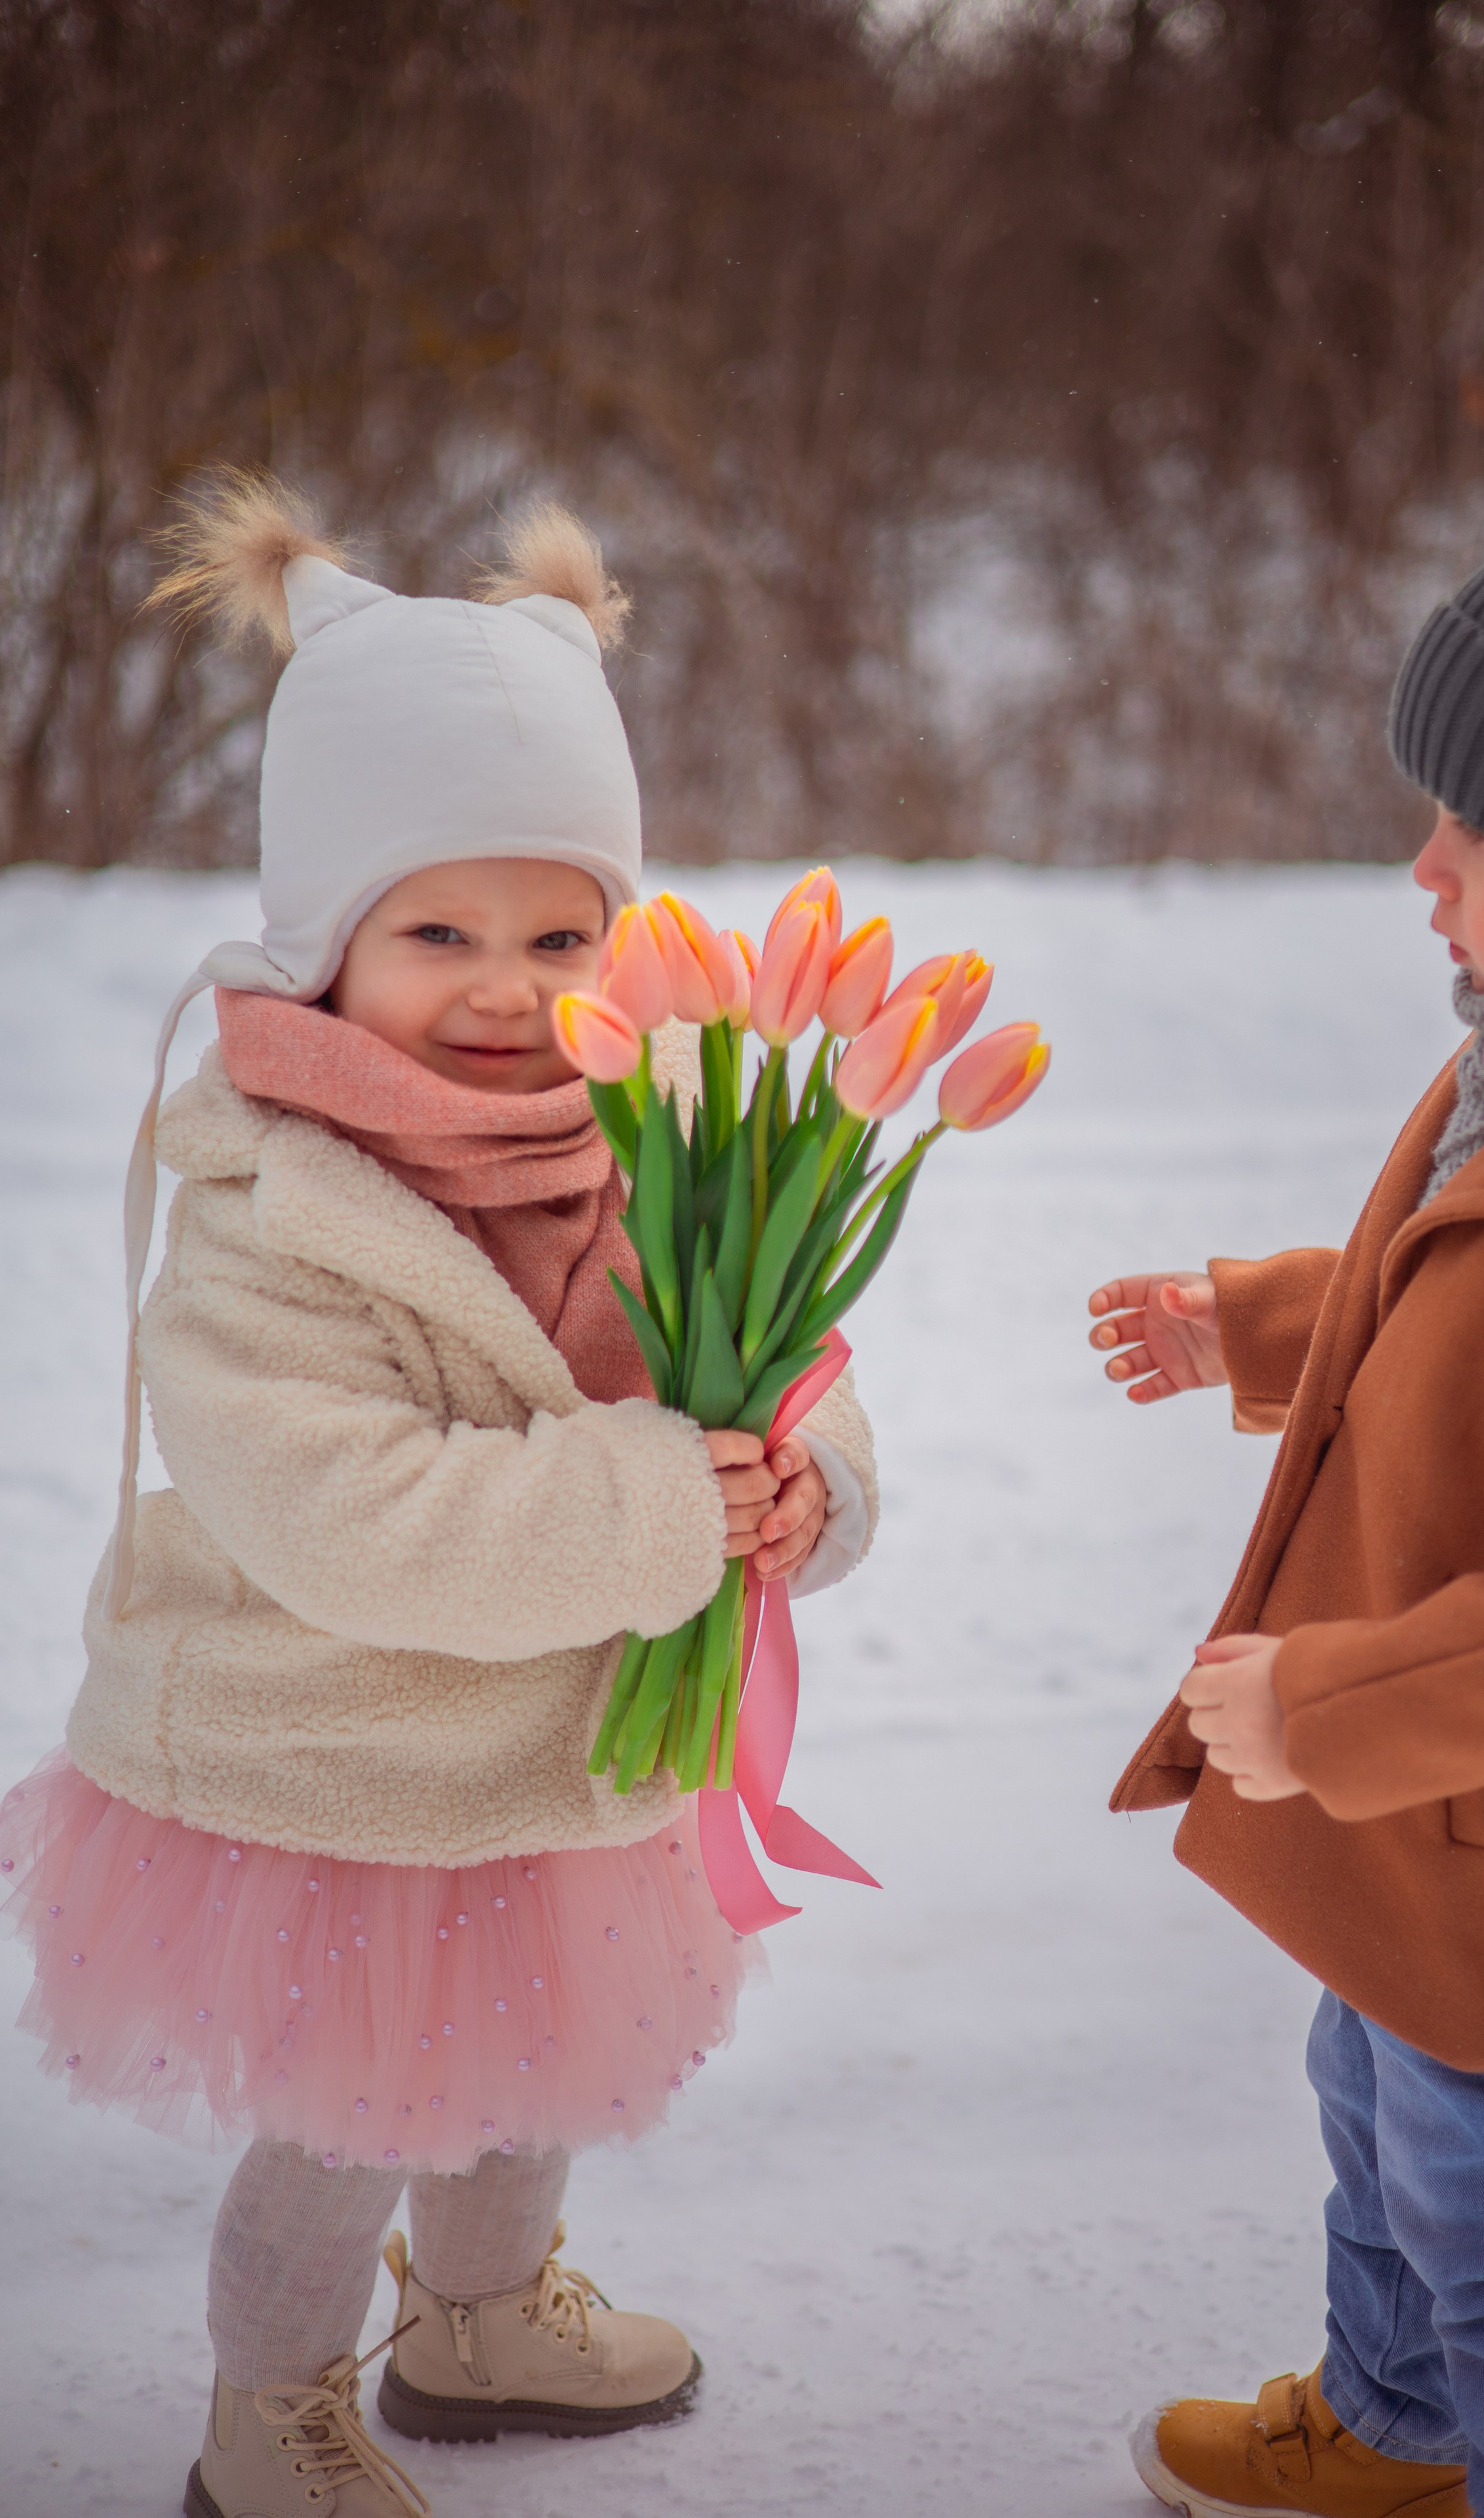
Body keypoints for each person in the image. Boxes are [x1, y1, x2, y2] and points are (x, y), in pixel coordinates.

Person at [0, 477, 877, 2518]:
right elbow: (353, 1517)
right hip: (347, 1761)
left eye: (558, 934)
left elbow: (793, 1367)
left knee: (533, 2059)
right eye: (438, 934)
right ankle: (272, 2403)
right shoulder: (269, 1203)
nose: (503, 986)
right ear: (326, 942)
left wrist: (799, 1493)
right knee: (357, 2107)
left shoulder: (656, 1139)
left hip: (565, 1747)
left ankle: (480, 2323)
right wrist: (662, 1504)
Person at [1091, 466, 1484, 2518]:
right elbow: (1466, 1296)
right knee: (1372, 2093)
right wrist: (1260, 1328)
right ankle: (1405, 2433)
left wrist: (1332, 1708)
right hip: (1444, 1823)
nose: (1424, 866)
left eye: (1481, 829)